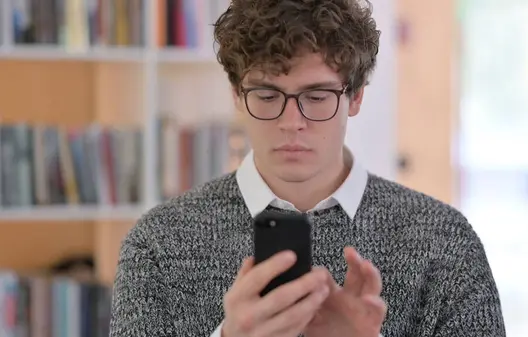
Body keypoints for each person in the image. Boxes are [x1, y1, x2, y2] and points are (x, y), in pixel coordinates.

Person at [109, 0, 506, 336]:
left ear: (355, 97)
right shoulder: (157, 246)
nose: (291, 121)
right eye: (267, 94)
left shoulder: (445, 243)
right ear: (236, 95)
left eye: (316, 96)